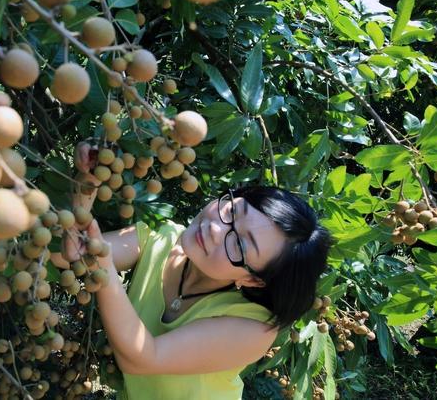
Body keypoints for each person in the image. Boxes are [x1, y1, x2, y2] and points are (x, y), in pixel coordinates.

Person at [52, 143, 332, 400]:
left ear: (253, 279)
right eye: (233, 212)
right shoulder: (160, 238)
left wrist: (100, 261)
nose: (215, 228)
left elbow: (141, 357)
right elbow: (71, 255)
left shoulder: (254, 328)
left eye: (238, 243)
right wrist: (87, 181)